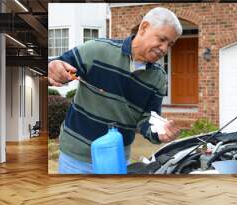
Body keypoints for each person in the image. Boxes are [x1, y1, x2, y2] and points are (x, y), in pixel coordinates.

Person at [48, 7, 182, 174]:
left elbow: (147, 119)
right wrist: (53, 67)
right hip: (76, 159)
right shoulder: (97, 50)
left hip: (116, 159)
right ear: (144, 27)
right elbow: (58, 65)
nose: (164, 48)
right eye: (162, 39)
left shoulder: (159, 78)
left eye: (170, 44)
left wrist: (159, 134)